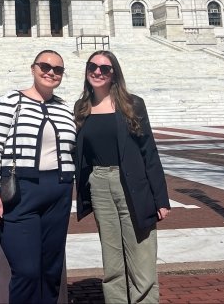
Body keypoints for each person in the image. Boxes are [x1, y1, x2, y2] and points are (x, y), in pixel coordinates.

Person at [73, 50, 170, 304]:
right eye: (92, 66)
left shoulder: (132, 104)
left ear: (114, 73)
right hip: (99, 184)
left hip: (132, 183)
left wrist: (161, 198)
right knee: (112, 257)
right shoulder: (81, 107)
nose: (97, 72)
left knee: (141, 255)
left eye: (105, 68)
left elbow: (149, 150)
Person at [0, 50, 77, 304]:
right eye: (45, 66)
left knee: (50, 269)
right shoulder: (10, 101)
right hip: (20, 191)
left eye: (57, 69)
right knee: (26, 270)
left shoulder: (64, 108)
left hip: (59, 191)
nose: (51, 72)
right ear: (33, 68)